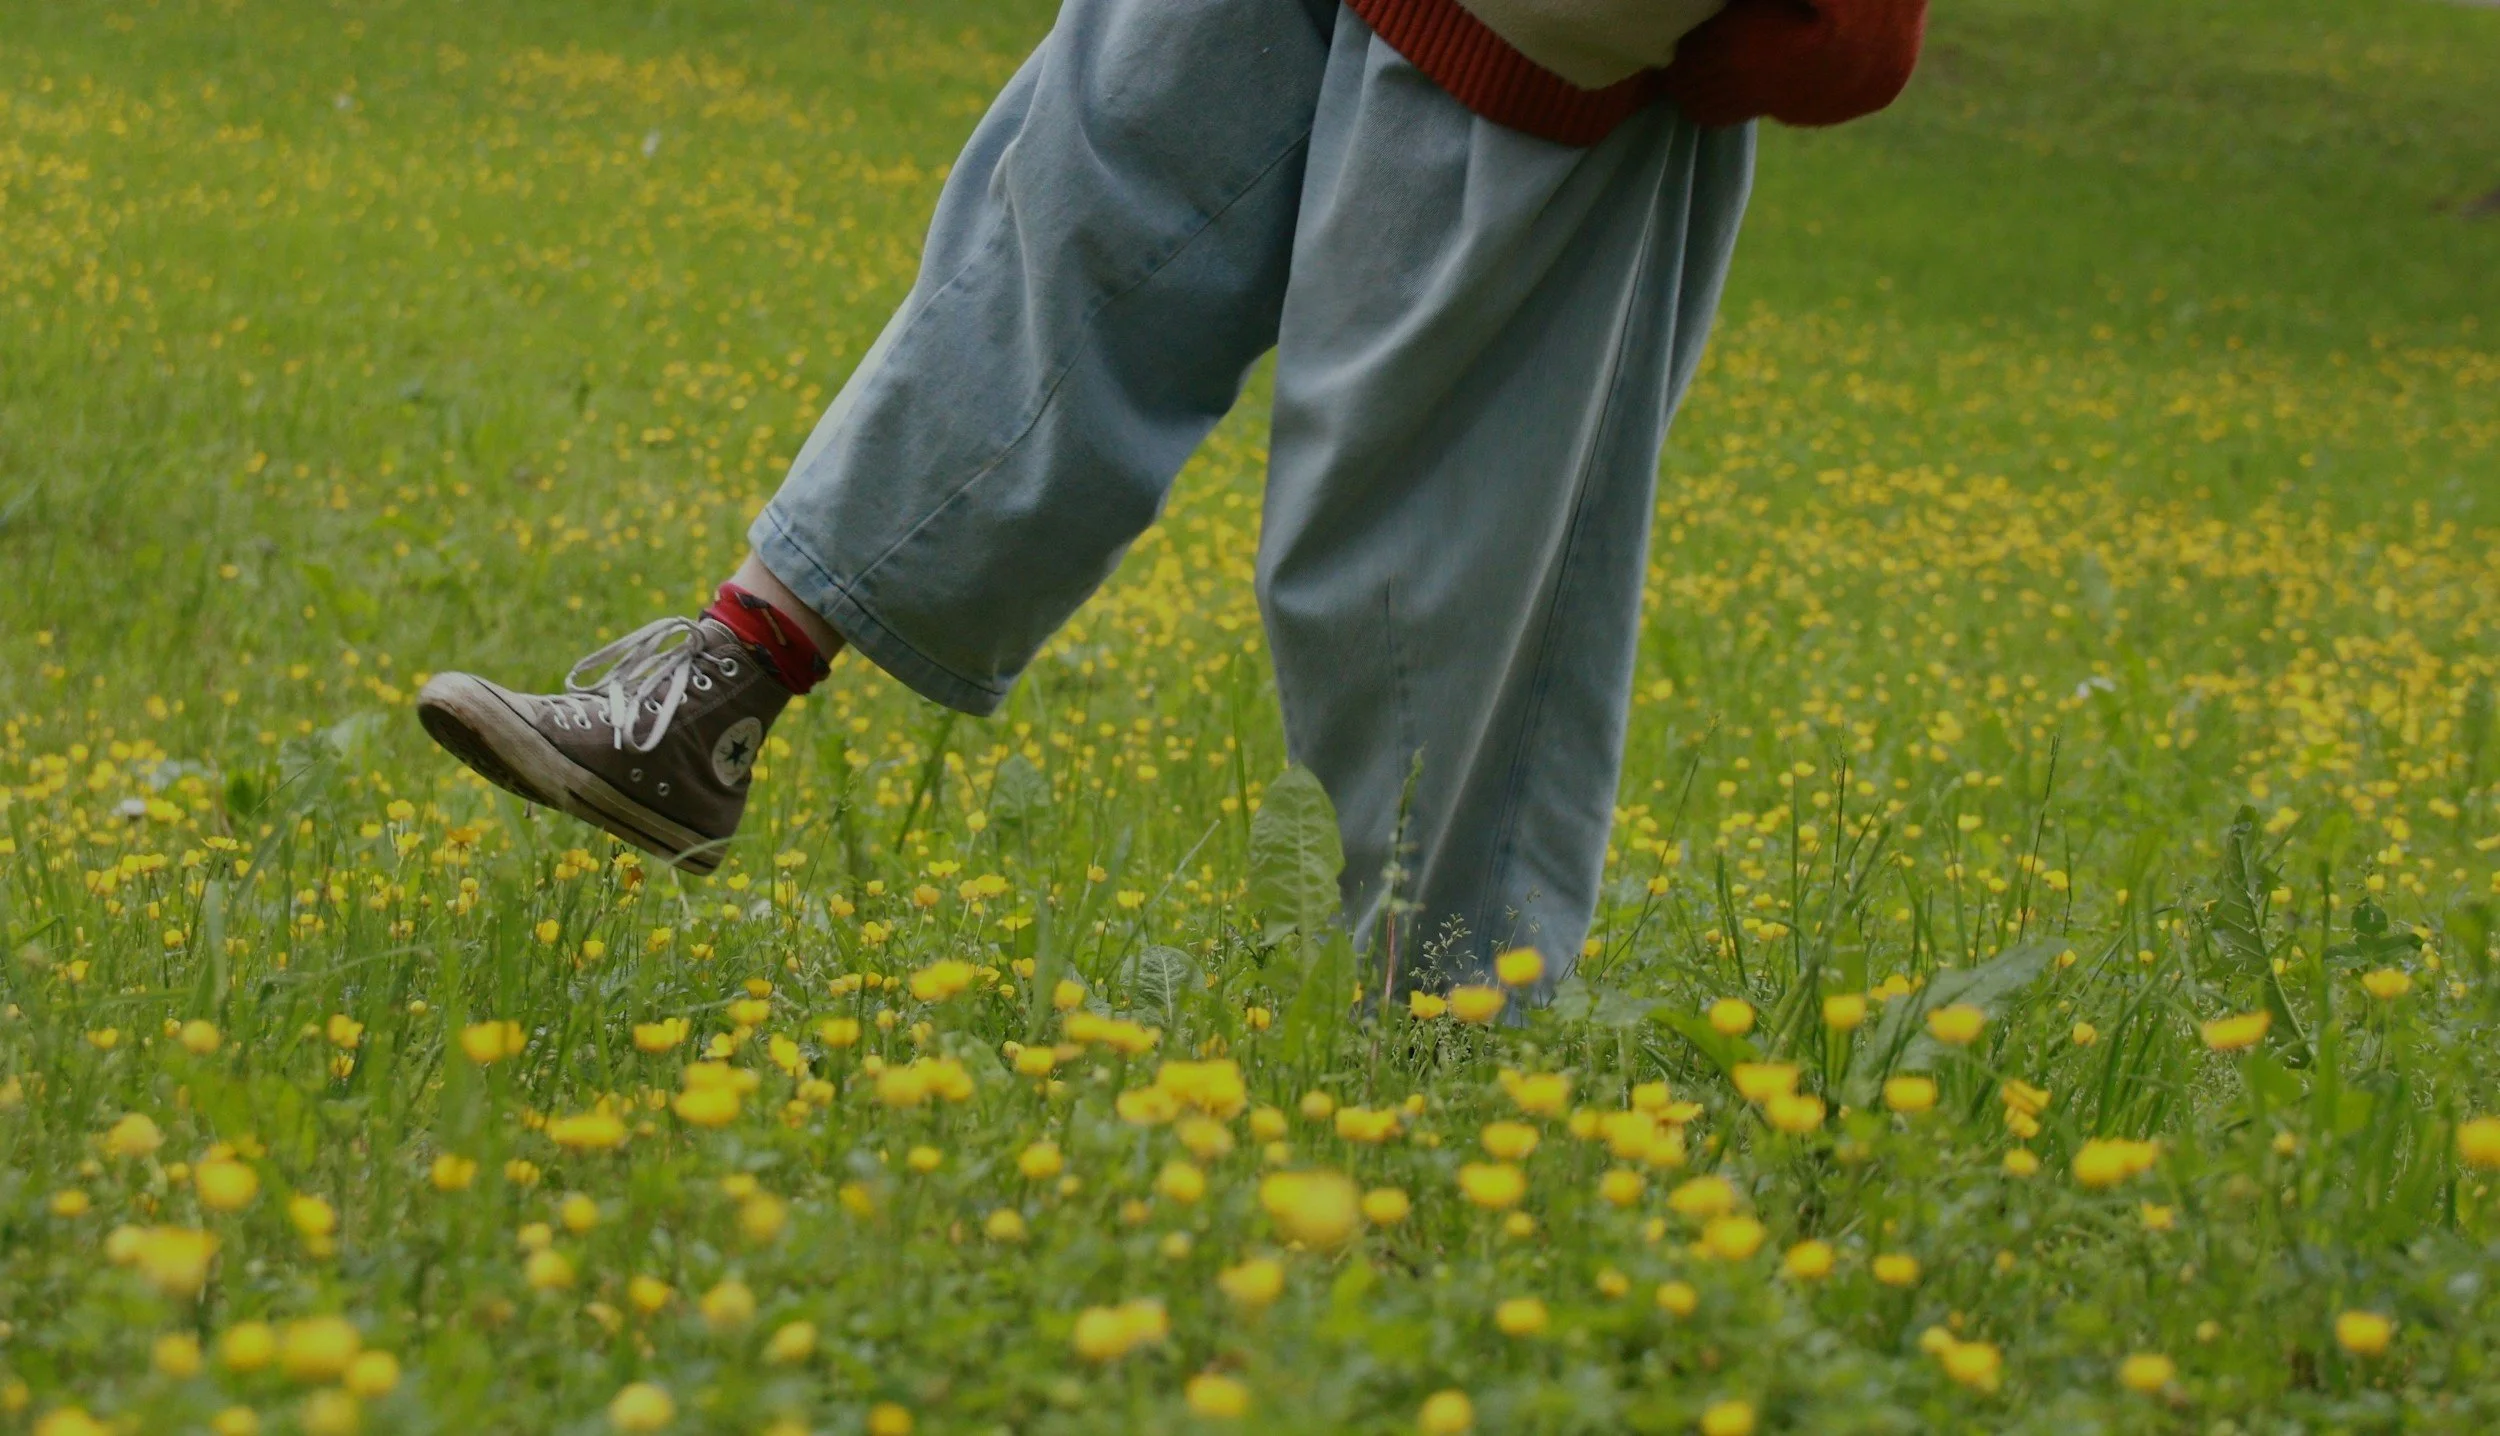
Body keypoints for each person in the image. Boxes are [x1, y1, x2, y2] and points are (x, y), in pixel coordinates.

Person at [418, 0, 1925, 995]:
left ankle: (1447, 1067)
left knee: (1429, 545)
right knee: (1062, 233)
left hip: (1551, 29)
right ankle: (719, 691)